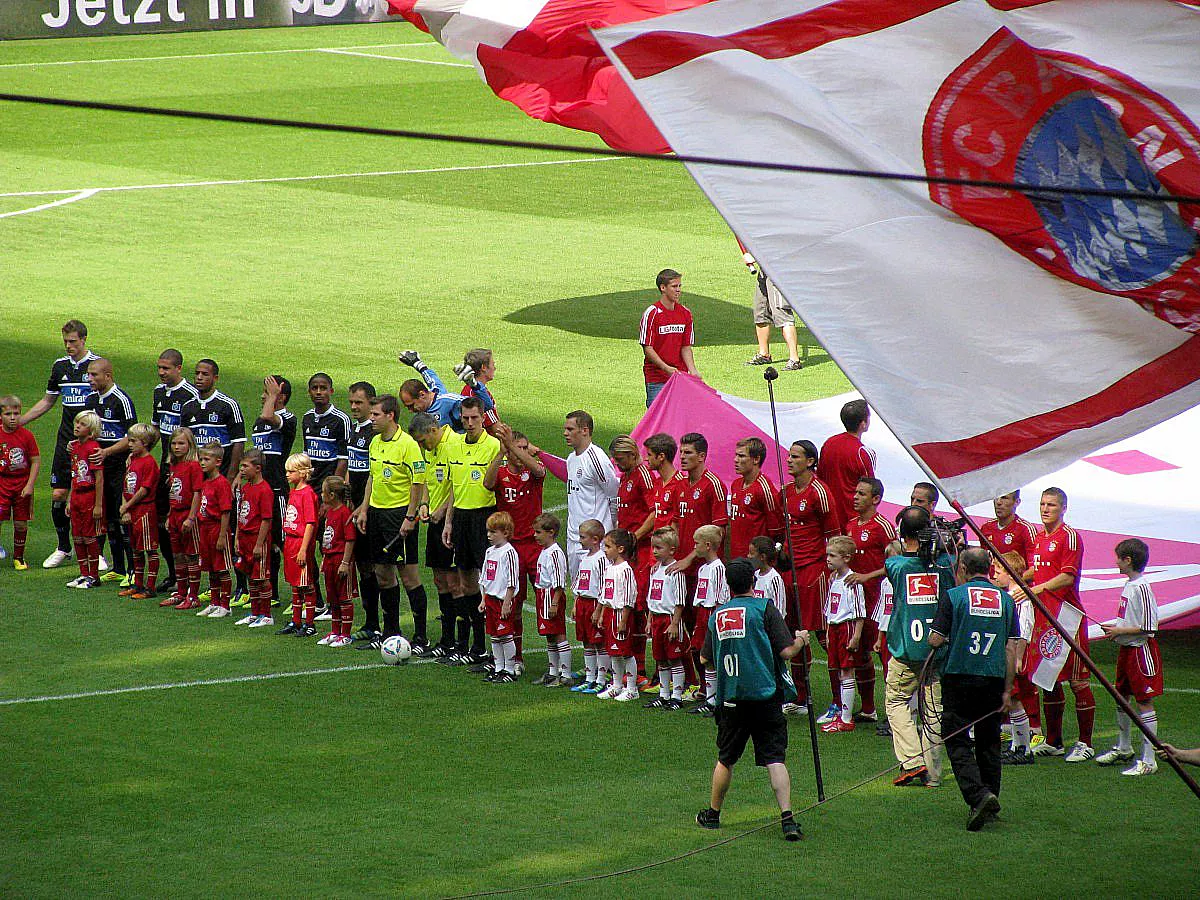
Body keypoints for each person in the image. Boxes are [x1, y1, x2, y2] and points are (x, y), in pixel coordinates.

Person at [696, 557, 807, 842]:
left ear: (727, 585)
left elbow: (705, 658)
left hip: (731, 699)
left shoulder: (717, 615)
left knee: (726, 759)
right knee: (774, 759)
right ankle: (788, 819)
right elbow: (786, 652)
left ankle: (713, 814)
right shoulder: (764, 609)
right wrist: (802, 640)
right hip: (765, 697)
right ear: (753, 582)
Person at [929, 548, 1020, 831]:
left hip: (959, 677)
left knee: (955, 739)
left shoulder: (953, 596)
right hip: (993, 679)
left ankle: (979, 795)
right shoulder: (1006, 601)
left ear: (964, 568)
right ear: (989, 569)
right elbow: (1011, 648)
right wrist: (1007, 689)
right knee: (989, 740)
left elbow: (935, 640)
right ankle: (991, 797)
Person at [20, 319, 98, 569]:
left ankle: (96, 550)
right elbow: (48, 401)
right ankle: (64, 547)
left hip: (91, 442)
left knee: (94, 495)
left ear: (84, 340)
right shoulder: (60, 367)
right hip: (66, 440)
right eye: (65, 341)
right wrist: (22, 420)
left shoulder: (96, 366)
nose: (68, 346)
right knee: (58, 493)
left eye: (73, 341)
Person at [884, 505, 954, 787]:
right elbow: (950, 562)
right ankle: (934, 776)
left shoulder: (897, 566)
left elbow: (892, 556)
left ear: (903, 533)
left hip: (906, 653)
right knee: (933, 712)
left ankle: (912, 761)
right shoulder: (946, 565)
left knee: (896, 702)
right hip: (937, 652)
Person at [1025, 487, 1095, 762]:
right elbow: (1040, 569)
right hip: (1045, 617)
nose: (1045, 509)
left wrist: (1036, 589)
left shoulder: (1070, 537)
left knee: (1078, 681)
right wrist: (1017, 577)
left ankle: (1085, 743)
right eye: (1042, 504)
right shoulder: (1039, 537)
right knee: (1049, 680)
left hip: (1068, 617)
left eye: (1051, 505)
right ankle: (1054, 742)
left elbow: (1067, 577)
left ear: (1063, 508)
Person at [354, 395, 429, 652]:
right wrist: (364, 509)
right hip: (376, 514)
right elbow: (372, 479)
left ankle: (420, 637)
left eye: (375, 415)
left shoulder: (408, 445)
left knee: (408, 576)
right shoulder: (375, 442)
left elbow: (418, 483)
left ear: (390, 416)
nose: (371, 419)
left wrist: (410, 517)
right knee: (382, 574)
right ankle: (390, 632)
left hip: (399, 516)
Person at [779, 439, 841, 714]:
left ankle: (841, 701)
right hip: (791, 570)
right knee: (795, 632)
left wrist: (830, 571)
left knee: (823, 634)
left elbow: (834, 535)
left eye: (795, 456)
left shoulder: (820, 492)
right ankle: (801, 698)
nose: (790, 460)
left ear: (810, 461)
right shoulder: (786, 491)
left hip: (815, 571)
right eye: (789, 456)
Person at [1095, 538, 1163, 777]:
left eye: (1118, 558)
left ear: (1128, 560)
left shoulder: (1142, 587)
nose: (1115, 562)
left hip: (1140, 651)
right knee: (1121, 696)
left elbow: (1148, 626)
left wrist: (1119, 631)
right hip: (1127, 650)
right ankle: (1124, 747)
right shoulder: (1130, 585)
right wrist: (1116, 628)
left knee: (1144, 701)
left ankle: (1149, 759)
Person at [441, 397, 498, 664]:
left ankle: (484, 646)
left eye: (474, 418)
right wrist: (449, 522)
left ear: (483, 417)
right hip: (461, 518)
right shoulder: (454, 446)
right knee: (464, 581)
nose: (470, 423)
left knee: (487, 583)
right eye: (465, 418)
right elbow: (453, 486)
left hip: (484, 518)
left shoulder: (493, 446)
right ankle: (467, 644)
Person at [485, 423, 546, 670]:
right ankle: (515, 657)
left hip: (535, 546)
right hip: (511, 550)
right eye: (517, 448)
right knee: (513, 603)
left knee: (547, 599)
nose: (523, 453)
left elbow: (539, 470)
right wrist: (501, 452)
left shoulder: (533, 472)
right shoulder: (501, 473)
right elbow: (488, 484)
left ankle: (556, 661)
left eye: (525, 448)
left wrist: (512, 445)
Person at [844, 477, 896, 726]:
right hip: (855, 599)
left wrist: (868, 576)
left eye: (861, 493)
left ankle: (892, 711)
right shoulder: (851, 524)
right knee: (858, 651)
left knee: (883, 654)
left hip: (877, 599)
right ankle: (868, 709)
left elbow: (895, 561)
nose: (855, 497)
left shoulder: (882, 526)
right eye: (855, 492)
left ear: (875, 499)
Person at [409, 412, 460, 658]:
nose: (421, 446)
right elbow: (430, 483)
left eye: (422, 440)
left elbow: (456, 485)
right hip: (436, 522)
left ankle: (460, 642)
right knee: (440, 581)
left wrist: (442, 511)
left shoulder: (453, 445)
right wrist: (425, 505)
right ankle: (447, 640)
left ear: (432, 430)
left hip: (451, 522)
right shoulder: (430, 450)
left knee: (455, 583)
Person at [83, 357, 137, 585]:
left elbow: (133, 436)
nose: (90, 379)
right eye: (89, 374)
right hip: (98, 466)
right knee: (107, 518)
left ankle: (133, 570)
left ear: (108, 375)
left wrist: (108, 452)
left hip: (117, 466)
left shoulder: (121, 400)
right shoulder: (90, 399)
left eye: (95, 375)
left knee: (121, 516)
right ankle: (118, 567)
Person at [150, 349, 199, 594]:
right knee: (163, 523)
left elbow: (190, 437)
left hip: (184, 470)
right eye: (159, 368)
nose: (161, 372)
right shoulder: (159, 392)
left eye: (166, 368)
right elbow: (157, 429)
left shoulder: (191, 395)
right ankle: (174, 574)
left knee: (185, 524)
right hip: (165, 467)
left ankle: (192, 580)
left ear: (179, 368)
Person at [610, 434, 658, 682]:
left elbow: (655, 512)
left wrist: (635, 538)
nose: (619, 465)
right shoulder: (626, 476)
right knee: (626, 601)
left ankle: (639, 669)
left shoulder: (643, 475)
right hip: (628, 551)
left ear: (632, 454)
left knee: (637, 605)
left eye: (621, 460)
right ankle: (628, 666)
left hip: (641, 550)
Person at [249, 376, 296, 606]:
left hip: (277, 490)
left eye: (266, 392)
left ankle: (305, 596)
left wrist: (273, 395)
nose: (262, 396)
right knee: (266, 543)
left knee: (285, 543)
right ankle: (273, 594)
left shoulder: (288, 419)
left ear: (280, 396)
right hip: (258, 491)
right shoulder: (259, 422)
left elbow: (269, 415)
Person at [992, 551, 1036, 764]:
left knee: (1016, 699)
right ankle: (1016, 745)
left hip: (1017, 655)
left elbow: (1024, 632)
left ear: (1010, 573)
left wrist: (1017, 658)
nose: (995, 574)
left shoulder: (1021, 599)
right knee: (1012, 699)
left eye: (999, 571)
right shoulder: (1008, 596)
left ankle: (1024, 749)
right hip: (1008, 654)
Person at [562, 410, 618, 581]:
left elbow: (614, 494)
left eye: (570, 429)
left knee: (597, 592)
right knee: (578, 590)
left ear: (585, 430)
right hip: (574, 538)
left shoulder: (596, 458)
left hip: (595, 541)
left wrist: (610, 530)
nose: (565, 433)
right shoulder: (571, 459)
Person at [821, 536, 867, 734]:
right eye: (827, 555)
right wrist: (828, 631)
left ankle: (846, 719)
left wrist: (856, 636)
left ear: (846, 558)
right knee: (838, 671)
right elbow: (831, 607)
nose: (828, 559)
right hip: (835, 627)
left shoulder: (852, 581)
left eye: (832, 555)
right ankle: (841, 713)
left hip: (846, 628)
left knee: (847, 671)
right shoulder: (834, 579)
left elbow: (860, 612)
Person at [667, 432, 728, 580]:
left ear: (701, 456)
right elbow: (675, 524)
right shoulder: (679, 485)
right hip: (680, 563)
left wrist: (690, 558)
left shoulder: (713, 485)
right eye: (681, 452)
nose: (682, 457)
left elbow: (719, 531)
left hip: (705, 566)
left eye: (688, 452)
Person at [345, 381, 380, 642]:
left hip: (371, 510)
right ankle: (371, 622)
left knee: (374, 568)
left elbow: (374, 476)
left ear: (371, 402)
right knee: (362, 566)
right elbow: (353, 467)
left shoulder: (374, 434)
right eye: (352, 403)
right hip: (355, 508)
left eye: (359, 402)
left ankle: (375, 623)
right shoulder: (355, 430)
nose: (354, 407)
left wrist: (363, 506)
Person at [639, 268, 698, 407]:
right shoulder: (652, 313)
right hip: (657, 378)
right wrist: (665, 368)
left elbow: (686, 347)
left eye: (679, 286)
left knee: (680, 417)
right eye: (674, 286)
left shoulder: (685, 313)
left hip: (680, 377)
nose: (678, 290)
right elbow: (647, 347)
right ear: (663, 288)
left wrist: (693, 370)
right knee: (658, 420)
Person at [645, 526, 689, 709]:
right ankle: (663, 695)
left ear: (671, 549)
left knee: (674, 658)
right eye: (653, 547)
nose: (654, 551)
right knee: (661, 659)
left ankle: (677, 696)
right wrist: (649, 620)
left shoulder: (675, 571)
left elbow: (680, 600)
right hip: (656, 619)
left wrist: (674, 623)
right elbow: (651, 597)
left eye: (659, 548)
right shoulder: (654, 570)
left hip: (670, 619)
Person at [397, 350, 495, 433]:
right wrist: (417, 363)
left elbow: (486, 406)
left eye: (411, 405)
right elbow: (431, 377)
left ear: (422, 395)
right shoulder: (435, 390)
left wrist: (474, 384)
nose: (410, 411)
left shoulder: (450, 402)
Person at [178, 358, 245, 477]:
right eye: (197, 373)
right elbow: (183, 443)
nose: (199, 377)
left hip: (221, 476)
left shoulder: (228, 405)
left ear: (215, 378)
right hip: (194, 476)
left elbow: (238, 443)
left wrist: (231, 476)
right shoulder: (187, 407)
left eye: (205, 374)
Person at [117, 423, 161, 600]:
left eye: (133, 441)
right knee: (135, 549)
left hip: (144, 510)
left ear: (144, 442)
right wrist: (125, 507)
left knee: (149, 549)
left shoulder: (149, 462)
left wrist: (127, 506)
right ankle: (138, 584)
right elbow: (126, 484)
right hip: (132, 510)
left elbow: (144, 489)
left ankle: (150, 587)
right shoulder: (132, 459)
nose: (129, 444)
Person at [277, 453, 319, 637]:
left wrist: (303, 548)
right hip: (291, 541)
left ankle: (309, 623)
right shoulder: (293, 491)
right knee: (295, 585)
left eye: (290, 471)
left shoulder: (308, 494)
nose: (287, 474)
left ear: (302, 473)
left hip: (301, 543)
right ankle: (296, 620)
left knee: (306, 585)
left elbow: (310, 522)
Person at [740, 245, 802, 370]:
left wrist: (755, 256)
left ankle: (794, 359)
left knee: (782, 314)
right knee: (761, 312)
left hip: (777, 270)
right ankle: (764, 354)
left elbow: (776, 243)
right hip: (764, 271)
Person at [596, 527, 640, 701]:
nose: (605, 550)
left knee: (626, 652)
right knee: (613, 652)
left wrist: (624, 620)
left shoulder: (625, 570)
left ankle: (632, 689)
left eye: (607, 546)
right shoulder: (610, 568)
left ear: (620, 549)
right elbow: (606, 593)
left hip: (621, 614)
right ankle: (616, 685)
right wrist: (601, 614)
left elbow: (630, 597)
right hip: (610, 613)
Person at [689, 525, 729, 716]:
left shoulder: (719, 568)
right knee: (699, 651)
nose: (694, 547)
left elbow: (722, 596)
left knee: (712, 656)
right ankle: (708, 694)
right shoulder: (703, 568)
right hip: (702, 613)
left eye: (696, 543)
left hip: (713, 613)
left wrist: (717, 618)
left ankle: (716, 699)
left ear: (707, 545)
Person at [162, 427, 204, 610]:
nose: (177, 447)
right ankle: (181, 592)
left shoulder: (194, 466)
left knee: (191, 555)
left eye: (181, 443)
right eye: (174, 443)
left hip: (187, 515)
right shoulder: (173, 465)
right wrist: (170, 515)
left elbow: (197, 492)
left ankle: (193, 595)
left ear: (190, 445)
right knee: (177, 555)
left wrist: (191, 517)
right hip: (175, 515)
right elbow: (173, 491)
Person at [231, 450, 273, 623]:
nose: (241, 470)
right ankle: (255, 613)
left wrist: (258, 544)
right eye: (241, 466)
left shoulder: (265, 490)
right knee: (251, 577)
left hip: (257, 539)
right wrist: (237, 538)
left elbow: (266, 519)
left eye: (245, 466)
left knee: (261, 577)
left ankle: (267, 615)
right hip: (245, 539)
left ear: (257, 468)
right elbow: (241, 514)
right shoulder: (246, 488)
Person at [818, 399, 875, 526]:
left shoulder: (829, 443)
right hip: (854, 520)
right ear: (863, 424)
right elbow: (870, 491)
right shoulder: (863, 453)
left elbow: (820, 477)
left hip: (829, 515)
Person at [480, 511, 521, 683]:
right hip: (490, 599)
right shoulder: (490, 552)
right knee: (494, 636)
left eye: (493, 532)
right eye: (488, 532)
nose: (489, 535)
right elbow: (484, 578)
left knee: (505, 635)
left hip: (503, 600)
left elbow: (512, 580)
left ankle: (509, 670)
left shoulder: (509, 553)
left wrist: (507, 602)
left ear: (505, 532)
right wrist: (483, 599)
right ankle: (498, 668)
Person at [64, 410, 103, 589]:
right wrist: (70, 500)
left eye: (82, 424)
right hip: (77, 496)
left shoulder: (93, 448)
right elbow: (74, 475)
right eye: (77, 423)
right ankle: (83, 573)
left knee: (89, 537)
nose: (77, 426)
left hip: (89, 496)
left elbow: (99, 478)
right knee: (77, 537)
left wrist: (98, 504)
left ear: (92, 429)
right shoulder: (75, 447)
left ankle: (94, 576)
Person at [0, 396, 40, 570]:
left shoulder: (26, 435)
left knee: (21, 522)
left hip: (21, 484)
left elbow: (35, 460)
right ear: (1, 416)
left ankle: (19, 557)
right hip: (2, 483)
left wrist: (30, 484)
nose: (13, 417)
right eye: (8, 413)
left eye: (16, 413)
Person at [532, 512, 571, 686]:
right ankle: (553, 671)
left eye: (538, 532)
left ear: (551, 532)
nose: (535, 536)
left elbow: (559, 583)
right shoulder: (545, 551)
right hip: (543, 595)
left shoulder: (555, 553)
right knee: (549, 634)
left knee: (558, 633)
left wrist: (554, 602)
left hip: (551, 596)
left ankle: (566, 674)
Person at [317, 475, 357, 647]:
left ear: (332, 495)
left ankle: (346, 634)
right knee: (332, 597)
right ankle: (335, 631)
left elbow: (350, 539)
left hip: (341, 559)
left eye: (323, 491)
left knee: (343, 597)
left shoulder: (344, 513)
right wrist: (324, 559)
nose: (321, 494)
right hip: (330, 559)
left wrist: (345, 563)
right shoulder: (330, 512)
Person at [196, 445, 236, 618]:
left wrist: (221, 536)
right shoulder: (206, 482)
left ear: (218, 462)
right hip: (205, 529)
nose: (202, 463)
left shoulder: (222, 484)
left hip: (217, 529)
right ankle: (214, 602)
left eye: (206, 460)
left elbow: (226, 511)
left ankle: (225, 605)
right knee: (211, 568)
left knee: (221, 568)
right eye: (201, 459)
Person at [570, 519, 609, 694]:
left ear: (595, 539)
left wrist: (599, 610)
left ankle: (602, 679)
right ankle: (589, 678)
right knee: (586, 641)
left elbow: (603, 586)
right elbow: (579, 584)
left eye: (582, 537)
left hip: (594, 604)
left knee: (598, 642)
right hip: (583, 604)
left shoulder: (601, 559)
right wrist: (575, 604)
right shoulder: (584, 558)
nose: (579, 540)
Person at [728, 437, 782, 559]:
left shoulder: (765, 489)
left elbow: (776, 531)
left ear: (756, 459)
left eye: (741, 456)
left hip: (756, 560)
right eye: (736, 455)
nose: (735, 460)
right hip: (736, 556)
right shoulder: (735, 484)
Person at [300, 373, 350, 498]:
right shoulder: (307, 418)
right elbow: (306, 453)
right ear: (309, 392)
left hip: (328, 487)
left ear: (331, 391)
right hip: (310, 485)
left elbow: (344, 459)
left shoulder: (340, 419)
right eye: (314, 388)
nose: (318, 392)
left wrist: (331, 490)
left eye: (323, 388)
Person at [979, 490, 1038, 566]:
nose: (998, 502)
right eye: (996, 498)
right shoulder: (986, 528)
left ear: (1017, 502)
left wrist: (1009, 578)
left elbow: (1034, 568)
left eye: (1004, 498)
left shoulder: (1026, 529)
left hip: (1015, 578)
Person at [456, 348, 501, 432]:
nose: (495, 368)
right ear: (483, 367)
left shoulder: (471, 389)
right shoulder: (477, 395)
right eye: (493, 364)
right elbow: (497, 431)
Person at [748, 537, 786, 617]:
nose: (748, 556)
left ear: (762, 557)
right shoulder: (754, 575)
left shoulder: (774, 579)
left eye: (751, 553)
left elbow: (779, 609)